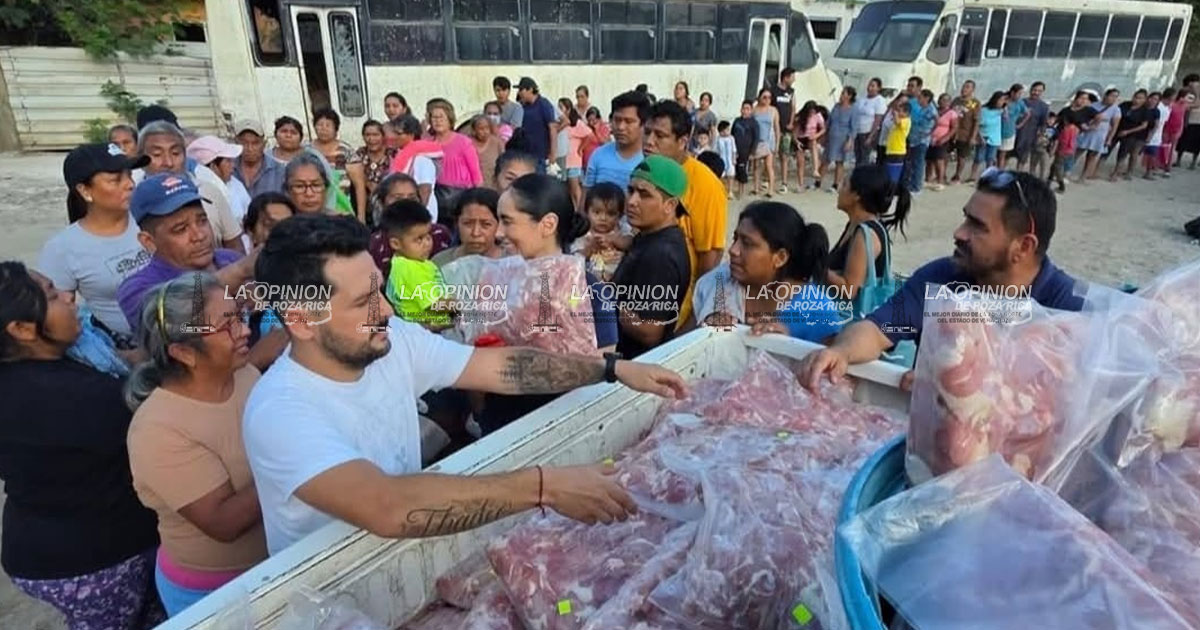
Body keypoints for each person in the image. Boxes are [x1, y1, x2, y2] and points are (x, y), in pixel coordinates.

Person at [242, 213, 685, 554]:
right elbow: (386, 506)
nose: (387, 310)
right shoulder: (280, 412)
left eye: (380, 291)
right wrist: (544, 487)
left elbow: (502, 368)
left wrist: (610, 370)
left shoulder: (395, 342)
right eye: (363, 302)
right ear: (302, 320)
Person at [799, 170, 1084, 392]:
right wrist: (841, 351)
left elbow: (1068, 399)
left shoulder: (1069, 308)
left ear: (1023, 246)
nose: (959, 233)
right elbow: (878, 330)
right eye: (965, 219)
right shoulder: (941, 281)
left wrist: (968, 386)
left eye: (977, 226)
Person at [0, 263, 163, 630]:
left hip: (43, 544)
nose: (70, 297)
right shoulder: (72, 396)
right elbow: (164, 425)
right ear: (22, 329)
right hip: (92, 563)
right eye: (53, 296)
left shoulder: (64, 360)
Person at [124, 274, 267, 615]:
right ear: (184, 352)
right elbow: (224, 522)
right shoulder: (157, 431)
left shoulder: (244, 375)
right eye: (227, 325)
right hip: (214, 592)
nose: (244, 331)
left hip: (272, 561)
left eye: (240, 315)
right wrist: (297, 463)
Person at [478, 174, 620, 432]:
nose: (498, 233)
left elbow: (599, 371)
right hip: (500, 423)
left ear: (548, 224)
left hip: (560, 428)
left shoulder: (589, 290)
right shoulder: (496, 278)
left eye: (507, 221)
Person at [116, 174, 256, 337]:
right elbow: (169, 317)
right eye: (181, 229)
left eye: (202, 221)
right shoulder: (137, 289)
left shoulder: (230, 258)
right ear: (149, 241)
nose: (199, 235)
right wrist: (237, 273)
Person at [39, 143, 151, 344]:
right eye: (115, 180)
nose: (130, 184)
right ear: (84, 190)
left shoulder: (151, 220)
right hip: (122, 348)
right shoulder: (62, 248)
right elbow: (58, 316)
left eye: (129, 175)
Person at [692, 202, 840, 342]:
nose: (733, 250)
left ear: (780, 258)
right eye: (735, 239)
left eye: (747, 243)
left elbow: (829, 357)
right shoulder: (719, 280)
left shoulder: (818, 313)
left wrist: (782, 345)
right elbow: (686, 340)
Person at [612, 156, 693, 358]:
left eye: (644, 194)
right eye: (631, 191)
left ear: (670, 205)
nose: (632, 201)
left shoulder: (661, 255)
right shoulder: (649, 236)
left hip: (635, 363)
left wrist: (604, 304)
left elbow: (649, 332)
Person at [644, 101, 728, 292]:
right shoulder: (646, 171)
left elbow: (711, 254)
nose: (649, 141)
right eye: (647, 132)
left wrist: (696, 304)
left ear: (682, 142)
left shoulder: (705, 185)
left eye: (660, 136)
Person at [138, 121, 245, 253]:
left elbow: (235, 246)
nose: (168, 163)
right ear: (141, 158)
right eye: (157, 155)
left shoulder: (208, 191)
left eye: (175, 153)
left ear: (185, 156)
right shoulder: (132, 200)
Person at [826, 164, 910, 312]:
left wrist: (818, 268)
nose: (839, 189)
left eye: (844, 185)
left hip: (851, 318)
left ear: (856, 195)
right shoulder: (854, 226)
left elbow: (849, 290)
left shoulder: (866, 234)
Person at [381, 200, 451, 330]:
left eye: (428, 235)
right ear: (396, 244)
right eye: (419, 239)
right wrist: (463, 306)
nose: (427, 243)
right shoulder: (411, 269)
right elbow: (434, 306)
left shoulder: (404, 262)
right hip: (428, 330)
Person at [584, 91, 649, 192]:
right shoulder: (598, 155)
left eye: (629, 121)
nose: (621, 127)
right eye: (617, 120)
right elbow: (586, 197)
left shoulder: (649, 161)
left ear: (644, 124)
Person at [428, 101, 483, 211]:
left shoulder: (463, 142)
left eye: (441, 117)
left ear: (449, 119)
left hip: (461, 195)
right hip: (436, 196)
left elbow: (475, 173)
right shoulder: (427, 144)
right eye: (434, 117)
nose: (438, 121)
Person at [187, 136, 251, 231]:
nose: (233, 166)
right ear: (213, 166)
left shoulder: (235, 184)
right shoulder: (200, 191)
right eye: (228, 161)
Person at [572, 182, 631, 282]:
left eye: (610, 214)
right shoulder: (583, 232)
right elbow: (574, 258)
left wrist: (614, 240)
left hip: (617, 283)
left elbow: (631, 242)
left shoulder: (622, 229)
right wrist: (590, 248)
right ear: (587, 212)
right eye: (597, 212)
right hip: (588, 283)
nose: (603, 218)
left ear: (620, 216)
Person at [432, 187, 504, 267]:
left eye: (486, 224)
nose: (475, 233)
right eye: (468, 223)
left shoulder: (511, 263)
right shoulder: (441, 263)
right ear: (457, 223)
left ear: (499, 225)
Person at [388, 115, 440, 220]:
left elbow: (425, 189)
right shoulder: (402, 155)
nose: (394, 137)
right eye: (393, 133)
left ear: (411, 135)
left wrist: (418, 216)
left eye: (398, 133)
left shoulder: (421, 159)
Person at [347, 120, 397, 224]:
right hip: (363, 206)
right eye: (367, 135)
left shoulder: (392, 154)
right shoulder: (359, 154)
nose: (371, 139)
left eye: (375, 135)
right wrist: (367, 183)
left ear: (383, 136)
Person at [233, 119, 287, 200]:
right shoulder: (228, 169)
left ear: (264, 144)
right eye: (244, 143)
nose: (250, 148)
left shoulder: (280, 171)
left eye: (255, 143)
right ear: (236, 143)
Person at [556, 98, 594, 210]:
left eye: (561, 107)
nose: (559, 110)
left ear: (568, 109)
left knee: (575, 187)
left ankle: (579, 209)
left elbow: (589, 135)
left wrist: (580, 149)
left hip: (573, 160)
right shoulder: (559, 123)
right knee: (566, 188)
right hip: (563, 159)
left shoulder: (576, 123)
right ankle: (572, 209)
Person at [515, 77, 559, 172]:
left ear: (530, 89)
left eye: (521, 90)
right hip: (525, 153)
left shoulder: (543, 104)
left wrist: (553, 153)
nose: (519, 93)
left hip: (540, 155)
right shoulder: (523, 106)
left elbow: (552, 128)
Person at [1078, 88, 1121, 181]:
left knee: (1091, 156)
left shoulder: (1116, 110)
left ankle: (1083, 176)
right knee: (1077, 152)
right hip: (1088, 132)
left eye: (1116, 97)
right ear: (1106, 95)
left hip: (1100, 135)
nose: (1113, 98)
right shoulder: (1094, 105)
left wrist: (1109, 139)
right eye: (1112, 96)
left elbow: (1115, 126)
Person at [1108, 90, 1152, 181]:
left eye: (1140, 98)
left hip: (1131, 134)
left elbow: (1144, 125)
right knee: (1107, 149)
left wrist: (1128, 131)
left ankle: (1116, 173)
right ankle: (1095, 169)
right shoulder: (1125, 105)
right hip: (1117, 130)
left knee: (1122, 154)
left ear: (1144, 100)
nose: (1137, 100)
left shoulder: (1145, 111)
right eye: (1136, 97)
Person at [820, 87, 856, 194]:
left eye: (843, 93)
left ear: (849, 96)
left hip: (842, 139)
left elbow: (854, 128)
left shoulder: (853, 110)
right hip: (831, 137)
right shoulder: (836, 106)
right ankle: (818, 181)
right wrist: (824, 135)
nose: (841, 95)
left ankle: (835, 185)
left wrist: (850, 141)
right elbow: (829, 121)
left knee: (839, 162)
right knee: (825, 160)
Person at [969, 91, 1006, 181]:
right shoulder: (984, 110)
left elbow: (1006, 118)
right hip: (983, 136)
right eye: (1001, 100)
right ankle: (972, 176)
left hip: (995, 138)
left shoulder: (1001, 111)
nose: (1002, 102)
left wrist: (1005, 108)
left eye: (1003, 100)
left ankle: (987, 176)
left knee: (990, 158)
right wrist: (979, 136)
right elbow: (978, 124)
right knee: (978, 158)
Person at [771, 67, 797, 193]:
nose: (794, 80)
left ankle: (784, 183)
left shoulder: (791, 92)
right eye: (792, 77)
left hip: (786, 129)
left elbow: (793, 108)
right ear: (786, 77)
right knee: (771, 154)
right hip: (774, 128)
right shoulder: (773, 90)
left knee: (784, 155)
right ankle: (768, 179)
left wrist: (791, 123)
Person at [906, 89, 937, 194]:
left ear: (926, 98)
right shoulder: (922, 108)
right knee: (913, 162)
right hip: (914, 138)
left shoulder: (930, 110)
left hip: (922, 140)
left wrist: (930, 133)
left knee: (918, 163)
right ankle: (912, 183)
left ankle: (916, 186)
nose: (918, 100)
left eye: (920, 98)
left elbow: (937, 120)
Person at [926, 93, 960, 190]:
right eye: (941, 99)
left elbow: (954, 128)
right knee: (929, 160)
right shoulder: (935, 110)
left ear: (949, 102)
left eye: (945, 100)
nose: (942, 102)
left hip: (942, 139)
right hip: (930, 138)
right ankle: (928, 179)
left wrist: (945, 138)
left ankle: (940, 181)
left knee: (939, 160)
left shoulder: (952, 113)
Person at [951, 80, 981, 183]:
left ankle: (957, 175)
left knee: (961, 156)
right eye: (963, 86)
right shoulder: (956, 101)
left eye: (967, 87)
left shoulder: (975, 103)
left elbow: (976, 121)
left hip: (965, 133)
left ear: (972, 90)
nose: (964, 89)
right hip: (952, 132)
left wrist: (973, 137)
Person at [1015, 82, 1050, 172]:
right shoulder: (1021, 102)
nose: (1036, 93)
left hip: (1029, 136)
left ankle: (1018, 175)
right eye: (1034, 90)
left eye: (1039, 91)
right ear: (1031, 90)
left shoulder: (1043, 107)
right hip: (1014, 133)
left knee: (1022, 159)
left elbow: (1043, 124)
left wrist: (1041, 136)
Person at [752, 87, 780, 197]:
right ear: (759, 97)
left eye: (769, 98)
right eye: (764, 97)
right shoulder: (754, 110)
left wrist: (777, 143)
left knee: (769, 166)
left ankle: (770, 189)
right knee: (756, 166)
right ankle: (756, 188)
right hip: (757, 140)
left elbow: (777, 128)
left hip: (768, 140)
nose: (767, 100)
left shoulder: (773, 110)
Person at [853, 78, 888, 166]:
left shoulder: (879, 101)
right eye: (869, 85)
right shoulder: (862, 99)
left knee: (865, 157)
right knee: (858, 156)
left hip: (868, 132)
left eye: (873, 86)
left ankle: (864, 173)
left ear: (878, 88)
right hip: (858, 131)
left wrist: (871, 136)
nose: (870, 88)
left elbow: (878, 120)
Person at [795, 100, 825, 191]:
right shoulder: (800, 117)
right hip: (800, 138)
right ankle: (800, 184)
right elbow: (794, 132)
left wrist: (816, 135)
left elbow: (824, 129)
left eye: (813, 112)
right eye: (810, 112)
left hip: (811, 137)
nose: (812, 114)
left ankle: (815, 169)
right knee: (800, 162)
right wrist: (796, 142)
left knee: (813, 144)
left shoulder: (818, 116)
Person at [731, 100, 759, 199]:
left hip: (745, 151)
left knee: (742, 171)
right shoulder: (737, 121)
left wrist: (752, 152)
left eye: (747, 109)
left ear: (751, 110)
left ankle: (741, 191)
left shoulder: (754, 123)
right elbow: (732, 134)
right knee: (734, 170)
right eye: (743, 108)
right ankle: (732, 189)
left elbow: (756, 138)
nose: (745, 111)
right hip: (735, 150)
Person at [469, 115, 504, 191]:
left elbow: (504, 163)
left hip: (493, 186)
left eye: (487, 128)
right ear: (474, 130)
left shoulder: (497, 143)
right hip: (473, 187)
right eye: (481, 129)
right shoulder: (467, 143)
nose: (485, 132)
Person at [998, 84, 1029, 168]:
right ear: (1012, 93)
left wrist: (1020, 124)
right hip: (997, 130)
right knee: (995, 154)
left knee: (1003, 154)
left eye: (1021, 94)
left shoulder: (1020, 103)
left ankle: (1000, 170)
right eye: (1019, 93)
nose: (1020, 96)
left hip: (1009, 131)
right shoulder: (1003, 100)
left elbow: (1027, 113)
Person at [1048, 116, 1079, 193]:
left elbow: (1064, 142)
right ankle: (1049, 180)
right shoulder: (1075, 128)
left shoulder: (1066, 130)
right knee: (1054, 166)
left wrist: (1056, 150)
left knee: (1057, 168)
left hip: (1063, 151)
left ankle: (1061, 186)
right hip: (1070, 151)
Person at [1174, 77, 1200, 169]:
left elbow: (1197, 104)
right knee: (1182, 141)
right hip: (1186, 120)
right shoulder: (1186, 92)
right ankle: (1178, 160)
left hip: (1197, 121)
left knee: (1196, 143)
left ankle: (1193, 162)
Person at [883, 101, 911, 185]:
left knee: (894, 172)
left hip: (898, 150)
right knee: (888, 170)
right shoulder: (898, 121)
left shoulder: (906, 120)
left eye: (900, 111)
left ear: (906, 113)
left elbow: (898, 122)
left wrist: (895, 114)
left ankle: (893, 187)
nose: (898, 113)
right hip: (891, 150)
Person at [1143, 91, 1168, 179]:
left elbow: (1156, 125)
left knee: (1152, 154)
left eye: (1155, 99)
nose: (1152, 100)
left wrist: (1150, 136)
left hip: (1154, 136)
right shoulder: (1143, 109)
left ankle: (1149, 172)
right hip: (1141, 134)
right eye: (1152, 98)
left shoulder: (1157, 111)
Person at [1161, 88, 1185, 175]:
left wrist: (1180, 130)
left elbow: (1182, 119)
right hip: (1167, 128)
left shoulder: (1183, 106)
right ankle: (1161, 164)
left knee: (1172, 148)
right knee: (1164, 147)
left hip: (1176, 129)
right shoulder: (1171, 105)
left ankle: (1168, 167)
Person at [580, 106, 610, 171]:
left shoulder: (604, 128)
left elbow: (604, 143)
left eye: (593, 120)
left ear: (599, 119)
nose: (591, 123)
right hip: (587, 161)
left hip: (600, 162)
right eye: (589, 120)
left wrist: (596, 130)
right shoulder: (586, 128)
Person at [1031, 111, 1057, 181]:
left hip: (1046, 150)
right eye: (1049, 119)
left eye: (1053, 120)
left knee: (1044, 167)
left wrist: (1053, 150)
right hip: (1036, 148)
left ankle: (1041, 180)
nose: (1050, 121)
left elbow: (1056, 141)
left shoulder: (1054, 130)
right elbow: (1034, 136)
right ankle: (1031, 178)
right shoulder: (1040, 127)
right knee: (1033, 165)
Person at [716, 121, 737, 198]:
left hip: (730, 160)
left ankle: (730, 191)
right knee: (722, 176)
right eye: (726, 130)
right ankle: (722, 189)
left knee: (730, 176)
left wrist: (734, 159)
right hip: (722, 159)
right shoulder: (718, 139)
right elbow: (716, 150)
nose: (727, 131)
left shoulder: (731, 138)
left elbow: (734, 149)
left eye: (728, 129)